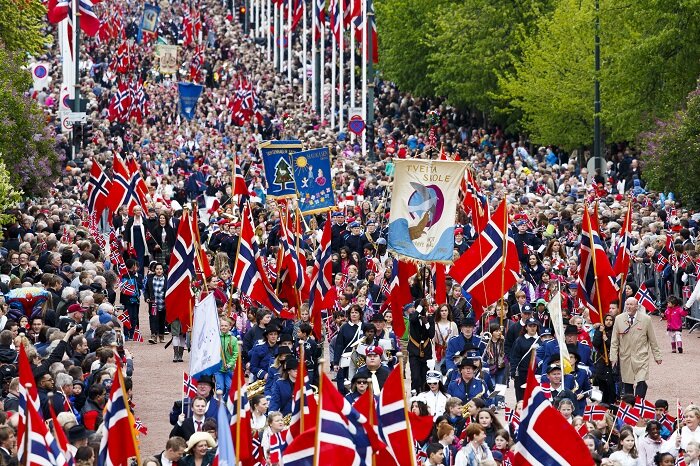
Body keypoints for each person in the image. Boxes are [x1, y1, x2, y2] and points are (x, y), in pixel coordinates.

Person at [609, 297, 662, 398]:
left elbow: (652, 339)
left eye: (631, 305)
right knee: (628, 383)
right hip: (626, 357)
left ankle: (639, 403)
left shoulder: (646, 319)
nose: (628, 307)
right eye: (627, 304)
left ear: (637, 306)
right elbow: (614, 340)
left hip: (641, 356)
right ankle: (630, 407)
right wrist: (613, 357)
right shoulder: (619, 319)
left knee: (641, 381)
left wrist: (657, 356)